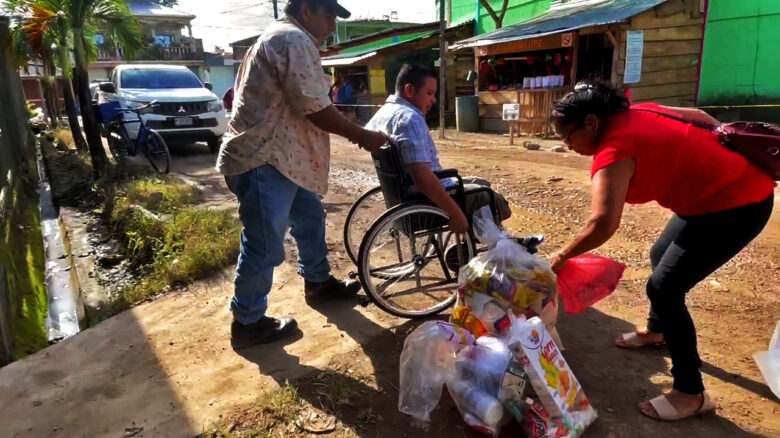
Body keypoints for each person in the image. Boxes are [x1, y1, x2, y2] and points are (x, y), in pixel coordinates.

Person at [548, 81, 774, 421]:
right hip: (707, 199)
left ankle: (690, 393)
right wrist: (703, 159)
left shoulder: (615, 148)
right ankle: (658, 331)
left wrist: (562, 256)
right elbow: (699, 117)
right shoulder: (633, 112)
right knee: (660, 254)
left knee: (665, 288)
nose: (568, 147)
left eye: (568, 137)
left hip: (738, 203)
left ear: (592, 122)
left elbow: (602, 223)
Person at [215, 0, 387, 347]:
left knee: (310, 221)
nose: (331, 27)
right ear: (307, 9)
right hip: (265, 158)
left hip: (286, 160)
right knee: (264, 243)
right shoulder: (292, 39)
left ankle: (318, 282)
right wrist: (362, 135)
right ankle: (247, 321)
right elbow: (315, 107)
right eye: (328, 16)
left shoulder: (283, 38)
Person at [365, 64, 512, 235]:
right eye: (429, 93)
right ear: (410, 90)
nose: (433, 99)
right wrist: (455, 213)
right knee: (491, 198)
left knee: (481, 183)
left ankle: (473, 241)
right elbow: (422, 177)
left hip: (401, 191)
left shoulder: (385, 111)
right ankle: (485, 246)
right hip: (423, 196)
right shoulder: (410, 118)